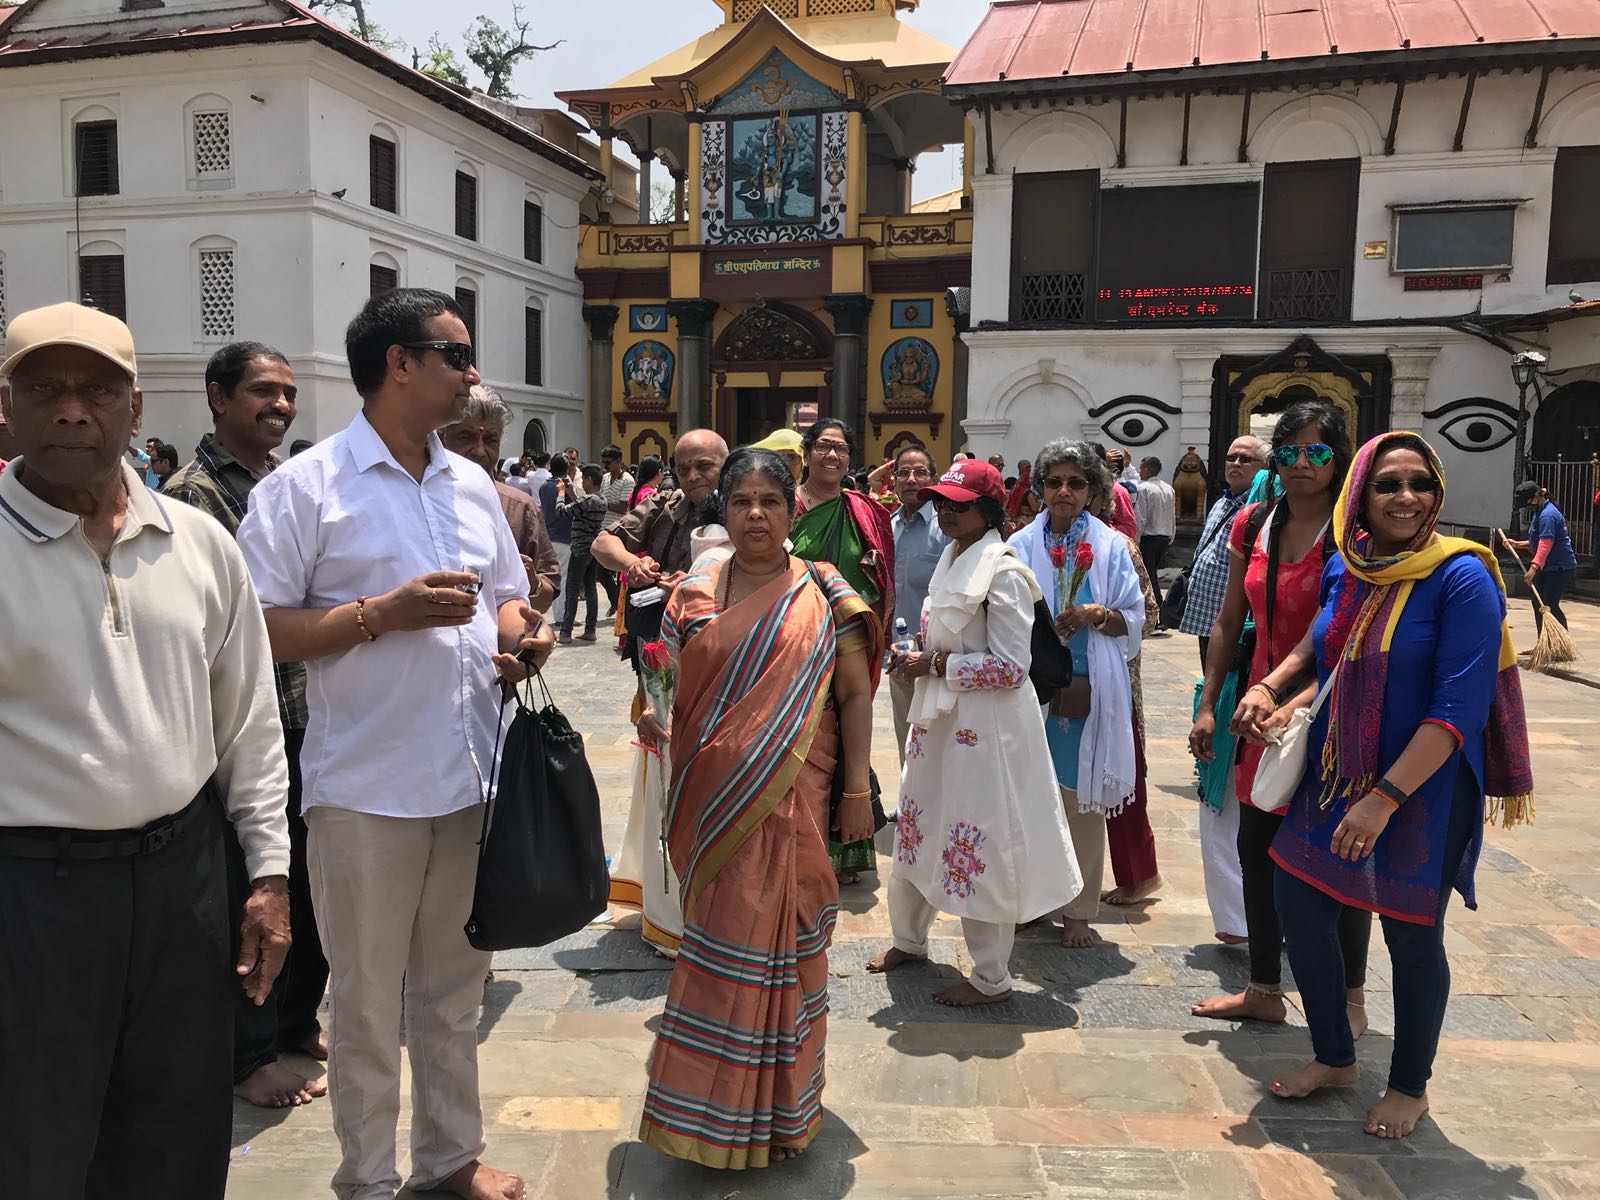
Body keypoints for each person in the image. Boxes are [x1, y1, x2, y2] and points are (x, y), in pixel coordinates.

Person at [237, 288, 548, 1200]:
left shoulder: (471, 485)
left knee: (453, 995)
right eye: (455, 355)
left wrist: (523, 633)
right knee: (367, 1006)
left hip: (470, 777)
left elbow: (507, 596)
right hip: (365, 790)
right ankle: (367, 1181)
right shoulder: (307, 489)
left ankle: (450, 1159)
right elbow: (256, 628)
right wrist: (381, 615)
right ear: (398, 364)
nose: (472, 374)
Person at [0, 302, 292, 1198]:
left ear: (134, 408)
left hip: (182, 881)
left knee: (177, 1130)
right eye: (43, 389)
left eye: (96, 390)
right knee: (34, 1139)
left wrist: (269, 874)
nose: (71, 410)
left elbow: (248, 721)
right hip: (30, 893)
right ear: (6, 407)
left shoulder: (198, 543)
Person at [1238, 432, 1534, 1141]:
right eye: (1389, 484)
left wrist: (1384, 800)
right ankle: (1335, 1056)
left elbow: (1458, 710)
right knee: (1297, 903)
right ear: (1361, 496)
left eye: (1420, 483)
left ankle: (1409, 1085)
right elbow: (1327, 652)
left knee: (1411, 935)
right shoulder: (1351, 567)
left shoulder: (1462, 578)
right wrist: (1273, 691)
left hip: (1422, 789)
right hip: (1336, 772)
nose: (1406, 497)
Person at [638, 448, 878, 1168]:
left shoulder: (826, 591)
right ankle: (704, 1119)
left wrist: (859, 793)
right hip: (714, 805)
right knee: (719, 948)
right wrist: (653, 713)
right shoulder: (693, 596)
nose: (754, 515)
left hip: (798, 795)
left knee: (791, 947)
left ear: (791, 510)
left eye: (769, 501)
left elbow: (855, 694)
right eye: (740, 501)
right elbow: (664, 685)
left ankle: (783, 1109)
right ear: (724, 510)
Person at [161, 341, 329, 1110]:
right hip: (235, 731)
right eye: (263, 391)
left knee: (307, 885)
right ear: (217, 397)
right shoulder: (192, 497)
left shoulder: (283, 484)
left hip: (303, 716)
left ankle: (295, 1019)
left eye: (288, 393)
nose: (281, 405)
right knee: (252, 892)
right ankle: (249, 1051)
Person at [1188, 401, 1371, 1030]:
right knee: (1256, 850)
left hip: (1335, 710)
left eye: (1316, 452)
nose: (1301, 464)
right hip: (1255, 714)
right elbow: (1227, 620)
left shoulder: (1355, 535)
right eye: (1288, 451)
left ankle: (1350, 999)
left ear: (1338, 458)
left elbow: (1348, 639)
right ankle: (1264, 987)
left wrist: (1285, 702)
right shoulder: (1253, 524)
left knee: (1337, 857)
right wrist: (1209, 703)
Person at [869, 459, 1082, 998]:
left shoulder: (1003, 573)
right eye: (941, 503)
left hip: (984, 728)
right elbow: (944, 635)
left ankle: (991, 976)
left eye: (958, 505)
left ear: (987, 511)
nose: (945, 512)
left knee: (976, 835)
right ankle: (909, 939)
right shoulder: (951, 557)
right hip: (937, 720)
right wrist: (918, 653)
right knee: (917, 823)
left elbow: (1012, 667)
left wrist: (936, 664)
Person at [592, 429, 730, 954]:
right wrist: (635, 564)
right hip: (660, 663)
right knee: (662, 777)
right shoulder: (663, 506)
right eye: (684, 466)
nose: (694, 476)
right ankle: (665, 899)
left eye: (705, 466)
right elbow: (604, 542)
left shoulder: (743, 502)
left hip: (721, 669)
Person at [1010, 441, 1146, 947]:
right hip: (1030, 687)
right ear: (1039, 489)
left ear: (1093, 491)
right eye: (1053, 482)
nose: (1063, 491)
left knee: (1081, 799)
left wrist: (1096, 614)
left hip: (1089, 686)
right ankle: (1031, 902)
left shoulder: (1112, 546)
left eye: (1075, 482)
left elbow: (1136, 618)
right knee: (1029, 798)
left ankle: (1078, 910)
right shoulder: (1019, 544)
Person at [791, 417, 895, 882]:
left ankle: (846, 851)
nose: (833, 456)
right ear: (806, 453)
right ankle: (798, 845)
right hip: (794, 642)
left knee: (849, 738)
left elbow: (882, 571)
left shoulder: (863, 511)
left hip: (850, 640)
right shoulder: (786, 505)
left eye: (841, 449)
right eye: (823, 446)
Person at [440, 386, 560, 612]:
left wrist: (532, 583)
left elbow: (546, 596)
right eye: (465, 437)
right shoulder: (418, 499)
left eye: (490, 440)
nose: (479, 451)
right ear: (441, 439)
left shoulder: (519, 508)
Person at [1179, 438, 1269, 669]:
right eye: (1231, 458)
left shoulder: (1261, 510)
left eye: (1246, 459)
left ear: (1264, 467)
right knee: (1210, 673)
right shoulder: (1221, 503)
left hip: (1234, 620)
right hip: (1206, 613)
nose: (1236, 463)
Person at [887, 443, 947, 763]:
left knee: (940, 744)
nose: (911, 479)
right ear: (894, 481)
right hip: (899, 655)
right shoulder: (886, 527)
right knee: (906, 742)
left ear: (934, 479)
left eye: (920, 472)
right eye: (903, 473)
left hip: (938, 659)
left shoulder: (947, 528)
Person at [1507, 479, 1577, 635]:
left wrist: (1534, 567)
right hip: (1546, 564)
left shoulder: (1548, 515)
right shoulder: (1540, 512)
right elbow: (1538, 542)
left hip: (1559, 566)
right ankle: (1544, 642)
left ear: (1537, 496)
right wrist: (1517, 544)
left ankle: (1561, 641)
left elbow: (1546, 543)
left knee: (1549, 604)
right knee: (1538, 603)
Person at [556, 464, 607, 643]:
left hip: (579, 549)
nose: (582, 483)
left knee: (571, 588)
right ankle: (590, 629)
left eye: (584, 479)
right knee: (591, 588)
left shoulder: (588, 500)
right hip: (592, 548)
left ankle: (565, 631)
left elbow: (562, 513)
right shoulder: (601, 500)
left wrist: (561, 494)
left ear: (589, 480)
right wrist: (572, 494)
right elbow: (582, 508)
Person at [1135, 455, 1177, 588]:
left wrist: (1136, 540)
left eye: (1140, 469)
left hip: (1149, 538)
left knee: (1148, 575)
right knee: (1152, 574)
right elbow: (1172, 514)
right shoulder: (1169, 488)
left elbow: (1140, 517)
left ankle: (1157, 599)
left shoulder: (1143, 488)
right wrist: (1172, 535)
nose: (1139, 472)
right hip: (1164, 538)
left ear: (1146, 470)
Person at [540, 453, 573, 586]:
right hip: (564, 535)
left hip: (548, 535)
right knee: (563, 576)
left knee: (550, 575)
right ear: (566, 468)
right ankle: (561, 602)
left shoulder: (544, 486)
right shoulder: (564, 487)